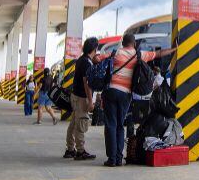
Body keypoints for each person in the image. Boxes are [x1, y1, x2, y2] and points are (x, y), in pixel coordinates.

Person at [101, 34, 176, 167]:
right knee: (120, 125)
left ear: (123, 43)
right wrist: (173, 49)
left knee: (111, 125)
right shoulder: (139, 55)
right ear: (134, 43)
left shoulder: (115, 52)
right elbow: (158, 54)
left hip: (111, 91)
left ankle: (111, 159)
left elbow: (97, 58)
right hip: (126, 94)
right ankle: (118, 158)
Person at [64, 37, 99, 160]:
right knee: (80, 124)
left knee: (74, 123)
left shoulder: (81, 60)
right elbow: (86, 83)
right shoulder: (86, 62)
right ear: (94, 49)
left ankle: (70, 149)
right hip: (81, 98)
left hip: (76, 96)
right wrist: (90, 101)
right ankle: (80, 151)